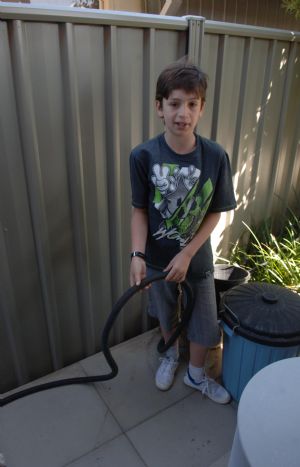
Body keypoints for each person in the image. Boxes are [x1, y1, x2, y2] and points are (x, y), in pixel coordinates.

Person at [129, 59, 236, 404]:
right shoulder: (143, 155)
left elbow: (216, 212)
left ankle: (196, 374)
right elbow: (139, 211)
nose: (182, 113)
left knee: (205, 320)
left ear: (202, 108)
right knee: (165, 312)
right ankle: (171, 356)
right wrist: (137, 254)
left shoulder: (215, 156)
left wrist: (188, 253)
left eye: (192, 104)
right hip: (158, 261)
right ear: (159, 107)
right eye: (174, 103)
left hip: (198, 261)